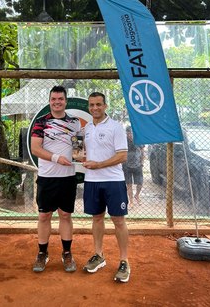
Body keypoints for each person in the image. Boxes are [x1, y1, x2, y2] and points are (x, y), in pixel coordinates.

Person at [31, 85, 81, 273]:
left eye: (60, 99)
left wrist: (82, 157)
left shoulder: (75, 123)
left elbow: (79, 149)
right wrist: (56, 158)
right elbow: (35, 148)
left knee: (65, 215)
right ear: (50, 101)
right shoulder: (41, 122)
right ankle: (42, 253)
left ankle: (67, 253)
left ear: (65, 101)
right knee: (44, 215)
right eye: (54, 99)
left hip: (67, 178)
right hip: (47, 177)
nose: (57, 102)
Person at [82, 92, 130, 283]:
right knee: (97, 218)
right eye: (92, 105)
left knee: (118, 220)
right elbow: (86, 153)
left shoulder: (115, 127)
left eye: (99, 104)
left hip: (113, 180)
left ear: (105, 106)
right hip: (92, 181)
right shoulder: (86, 129)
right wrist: (81, 157)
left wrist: (98, 165)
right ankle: (98, 255)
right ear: (89, 107)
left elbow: (122, 156)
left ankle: (124, 260)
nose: (95, 108)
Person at [123, 126, 145, 208]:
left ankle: (137, 195)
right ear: (126, 133)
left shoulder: (138, 140)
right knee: (129, 184)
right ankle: (131, 201)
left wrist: (142, 162)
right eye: (128, 133)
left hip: (138, 165)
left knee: (140, 183)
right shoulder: (124, 141)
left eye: (131, 133)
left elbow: (142, 152)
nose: (130, 135)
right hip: (127, 165)